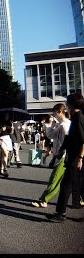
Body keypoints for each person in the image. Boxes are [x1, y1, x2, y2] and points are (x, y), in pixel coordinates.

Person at [46, 93, 84, 223]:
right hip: (72, 156)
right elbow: (70, 138)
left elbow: (83, 140)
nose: (66, 106)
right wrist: (62, 149)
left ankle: (60, 213)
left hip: (76, 157)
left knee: (66, 185)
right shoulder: (75, 117)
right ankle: (60, 213)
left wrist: (80, 158)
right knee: (77, 186)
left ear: (72, 104)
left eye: (68, 104)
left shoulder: (79, 118)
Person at [31, 104, 70, 208]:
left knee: (55, 178)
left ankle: (44, 200)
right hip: (59, 154)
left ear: (59, 111)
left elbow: (67, 140)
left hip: (63, 155)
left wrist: (61, 151)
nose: (53, 115)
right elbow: (50, 135)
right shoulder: (59, 124)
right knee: (70, 181)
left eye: (54, 112)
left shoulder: (65, 124)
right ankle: (80, 200)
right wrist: (51, 125)